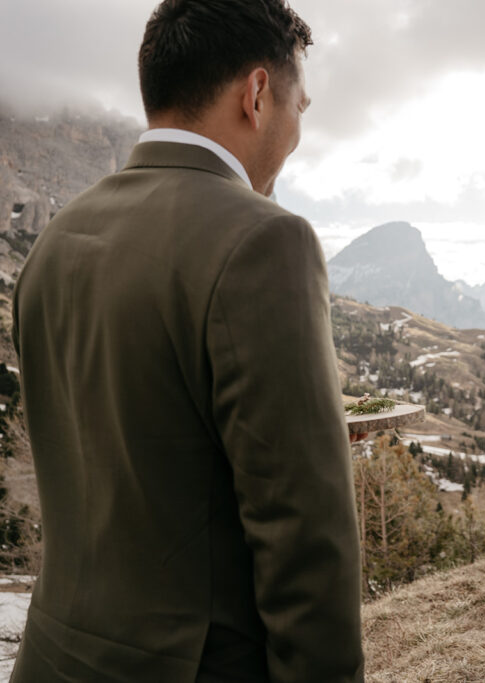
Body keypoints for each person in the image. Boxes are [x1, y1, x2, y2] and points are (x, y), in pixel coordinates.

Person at [11, 1, 363, 680]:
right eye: (302, 106)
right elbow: (305, 537)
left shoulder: (53, 243)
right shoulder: (266, 238)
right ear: (257, 94)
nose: (297, 130)